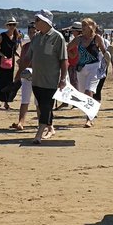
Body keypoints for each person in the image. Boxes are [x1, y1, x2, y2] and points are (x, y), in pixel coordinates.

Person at [28, 10, 67, 144]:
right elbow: (28, 57)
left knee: (46, 106)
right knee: (42, 106)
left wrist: (63, 79)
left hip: (51, 80)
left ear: (45, 22)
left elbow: (63, 60)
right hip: (36, 80)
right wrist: (19, 74)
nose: (35, 23)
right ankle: (50, 128)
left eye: (37, 20)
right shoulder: (36, 38)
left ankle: (39, 134)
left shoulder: (58, 37)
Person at [67, 18, 107, 127]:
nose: (83, 28)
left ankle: (89, 119)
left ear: (91, 27)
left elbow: (105, 52)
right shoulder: (78, 39)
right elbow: (67, 48)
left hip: (94, 67)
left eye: (85, 26)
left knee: (89, 91)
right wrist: (72, 56)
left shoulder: (97, 38)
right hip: (81, 68)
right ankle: (91, 112)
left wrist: (110, 64)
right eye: (82, 26)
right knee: (83, 94)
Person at [9, 22, 37, 131]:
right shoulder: (25, 47)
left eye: (34, 32)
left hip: (39, 75)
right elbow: (22, 63)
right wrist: (17, 77)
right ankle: (21, 122)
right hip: (27, 75)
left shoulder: (42, 46)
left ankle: (42, 122)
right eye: (30, 32)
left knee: (38, 101)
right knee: (25, 99)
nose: (32, 34)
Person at [0, 18, 22, 110]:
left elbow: (13, 49)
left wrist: (18, 55)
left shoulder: (16, 36)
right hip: (1, 60)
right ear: (7, 26)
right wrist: (2, 55)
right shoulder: (3, 35)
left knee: (9, 81)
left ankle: (6, 103)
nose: (12, 26)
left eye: (14, 25)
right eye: (10, 25)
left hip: (10, 61)